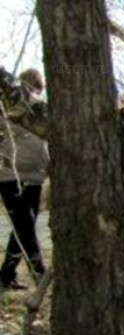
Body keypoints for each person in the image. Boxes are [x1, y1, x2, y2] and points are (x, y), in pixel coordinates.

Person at [0, 68, 48, 290]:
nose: (35, 93)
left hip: (36, 177)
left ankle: (7, 274)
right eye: (32, 87)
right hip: (12, 177)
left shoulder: (40, 111)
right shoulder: (9, 108)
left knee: (23, 228)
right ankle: (39, 273)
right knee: (25, 226)